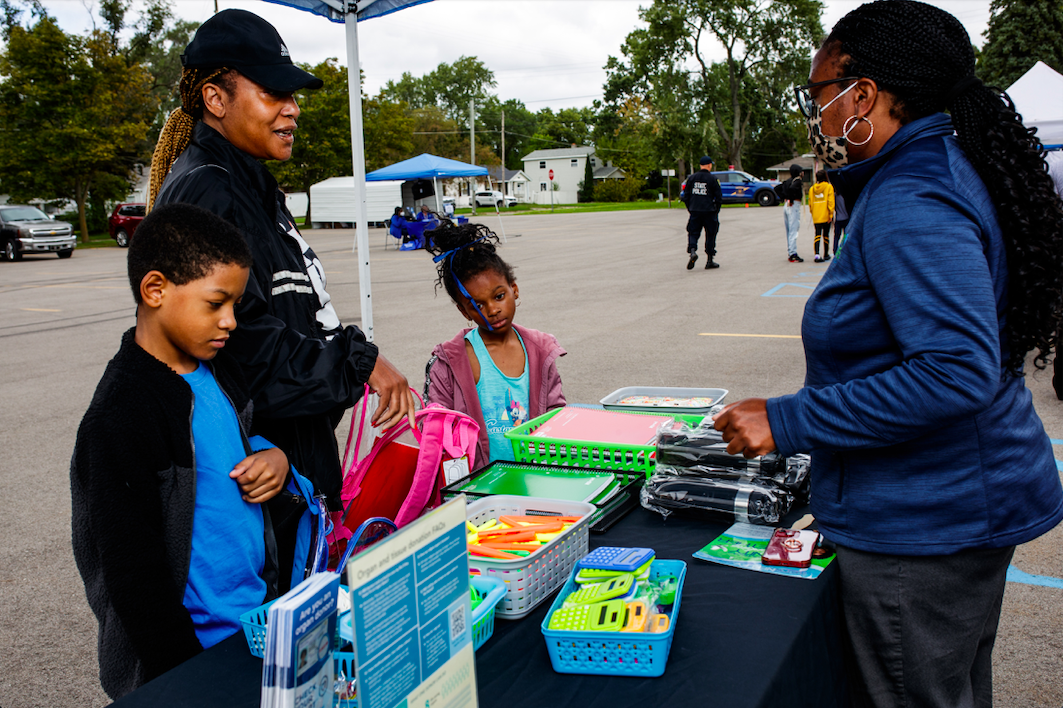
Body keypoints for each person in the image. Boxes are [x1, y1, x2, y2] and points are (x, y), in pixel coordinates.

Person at [713, 2, 1063, 706]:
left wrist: (785, 420)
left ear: (862, 95)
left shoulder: (912, 194)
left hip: (927, 522)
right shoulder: (937, 166)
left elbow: (952, 370)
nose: (815, 115)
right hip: (955, 504)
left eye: (818, 95)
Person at [148, 9, 415, 523]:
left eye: (293, 97)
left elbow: (295, 313)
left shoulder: (252, 186)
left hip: (293, 471)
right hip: (253, 488)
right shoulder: (208, 190)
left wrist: (350, 360)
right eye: (274, 93)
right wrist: (357, 363)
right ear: (215, 98)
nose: (292, 110)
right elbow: (239, 347)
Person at [71, 203, 295, 698]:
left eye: (235, 305)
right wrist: (185, 679)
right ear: (156, 290)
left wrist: (273, 455)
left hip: (252, 632)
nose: (231, 321)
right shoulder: (120, 416)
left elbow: (235, 442)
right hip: (190, 661)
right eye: (216, 304)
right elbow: (133, 576)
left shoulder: (216, 371)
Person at [423, 222, 566, 467]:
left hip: (535, 478)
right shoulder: (449, 363)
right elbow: (436, 432)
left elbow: (558, 417)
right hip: (478, 488)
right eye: (477, 305)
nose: (493, 309)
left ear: (514, 289)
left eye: (499, 296)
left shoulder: (541, 352)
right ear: (463, 311)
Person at [679, 156, 723, 269]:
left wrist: (690, 208)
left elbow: (686, 195)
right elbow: (718, 197)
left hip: (695, 210)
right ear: (709, 165)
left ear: (700, 165)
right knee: (711, 234)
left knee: (693, 232)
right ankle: (709, 260)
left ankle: (692, 251)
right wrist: (716, 210)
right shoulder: (713, 179)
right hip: (709, 211)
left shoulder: (691, 178)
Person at [808, 169, 834, 262]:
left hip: (816, 214)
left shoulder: (812, 189)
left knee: (817, 234)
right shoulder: (828, 187)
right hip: (825, 214)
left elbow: (810, 202)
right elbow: (830, 201)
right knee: (826, 235)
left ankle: (817, 254)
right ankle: (826, 254)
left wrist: (812, 212)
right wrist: (831, 214)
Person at [780, 163, 804, 262]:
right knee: (794, 229)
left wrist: (785, 198)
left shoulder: (787, 181)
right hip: (794, 205)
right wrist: (791, 198)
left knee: (789, 230)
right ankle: (793, 253)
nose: (803, 173)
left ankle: (790, 251)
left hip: (787, 205)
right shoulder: (797, 181)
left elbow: (779, 188)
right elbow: (792, 189)